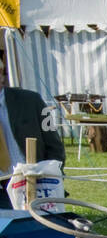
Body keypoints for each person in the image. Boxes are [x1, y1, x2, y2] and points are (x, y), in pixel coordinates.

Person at [0, 47, 65, 208]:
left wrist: (49, 177)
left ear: (2, 75)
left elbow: (54, 146)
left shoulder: (32, 101)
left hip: (31, 182)